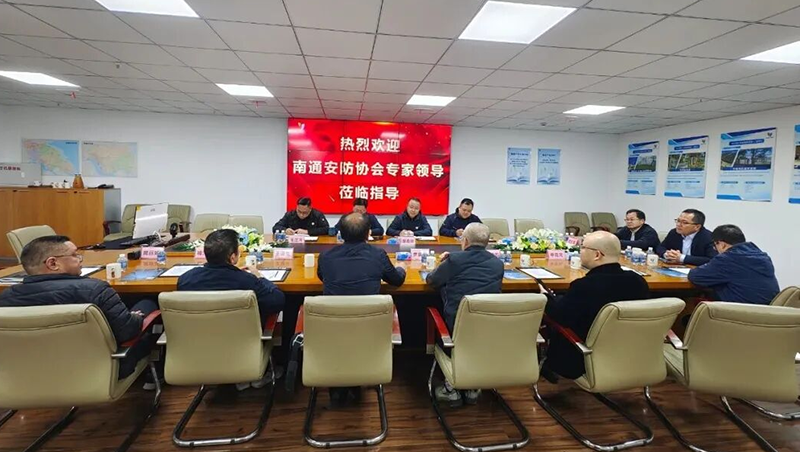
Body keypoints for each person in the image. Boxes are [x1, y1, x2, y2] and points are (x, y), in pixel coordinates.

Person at [0, 236, 160, 382]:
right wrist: (135, 317)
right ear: (52, 263)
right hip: (100, 371)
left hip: (27, 376)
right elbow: (127, 332)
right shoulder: (95, 290)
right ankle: (155, 374)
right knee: (148, 302)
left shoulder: (6, 298)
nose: (80, 259)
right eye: (75, 255)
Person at [178, 229, 286, 390]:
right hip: (244, 349)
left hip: (201, 351)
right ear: (233, 257)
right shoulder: (245, 281)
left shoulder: (186, 280)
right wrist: (259, 276)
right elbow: (278, 300)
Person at [317, 212, 406, 405]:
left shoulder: (325, 257)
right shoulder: (378, 255)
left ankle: (340, 386)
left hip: (332, 330)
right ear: (368, 234)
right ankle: (357, 381)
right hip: (369, 331)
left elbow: (322, 277)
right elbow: (397, 280)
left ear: (341, 233)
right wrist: (401, 268)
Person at [543, 231, 650, 380]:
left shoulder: (584, 286)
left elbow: (561, 317)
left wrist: (546, 298)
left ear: (597, 255)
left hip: (584, 358)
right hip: (631, 354)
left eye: (583, 247)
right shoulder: (638, 282)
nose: (579, 252)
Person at [425, 222, 503, 407]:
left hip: (457, 326)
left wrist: (444, 263)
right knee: (475, 338)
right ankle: (472, 387)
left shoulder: (454, 260)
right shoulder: (497, 264)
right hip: (488, 324)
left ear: (465, 241)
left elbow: (432, 281)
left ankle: (450, 389)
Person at [688, 224, 779, 305]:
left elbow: (695, 276)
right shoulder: (762, 256)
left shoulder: (728, 258)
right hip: (768, 311)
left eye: (715, 246)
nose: (715, 249)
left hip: (741, 311)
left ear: (722, 244)